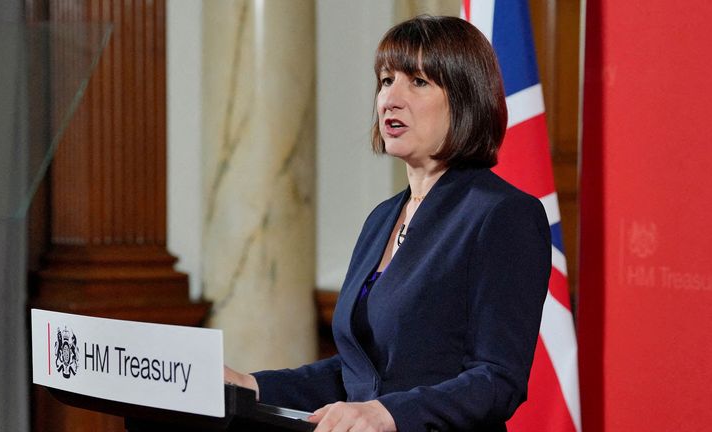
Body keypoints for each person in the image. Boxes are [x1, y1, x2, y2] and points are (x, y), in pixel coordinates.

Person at [225, 15, 551, 432]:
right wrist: (250, 385)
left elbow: (496, 379)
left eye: (417, 82)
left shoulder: (502, 215)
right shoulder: (382, 218)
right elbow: (357, 374)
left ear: (466, 97)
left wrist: (390, 414)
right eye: (385, 81)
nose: (390, 100)